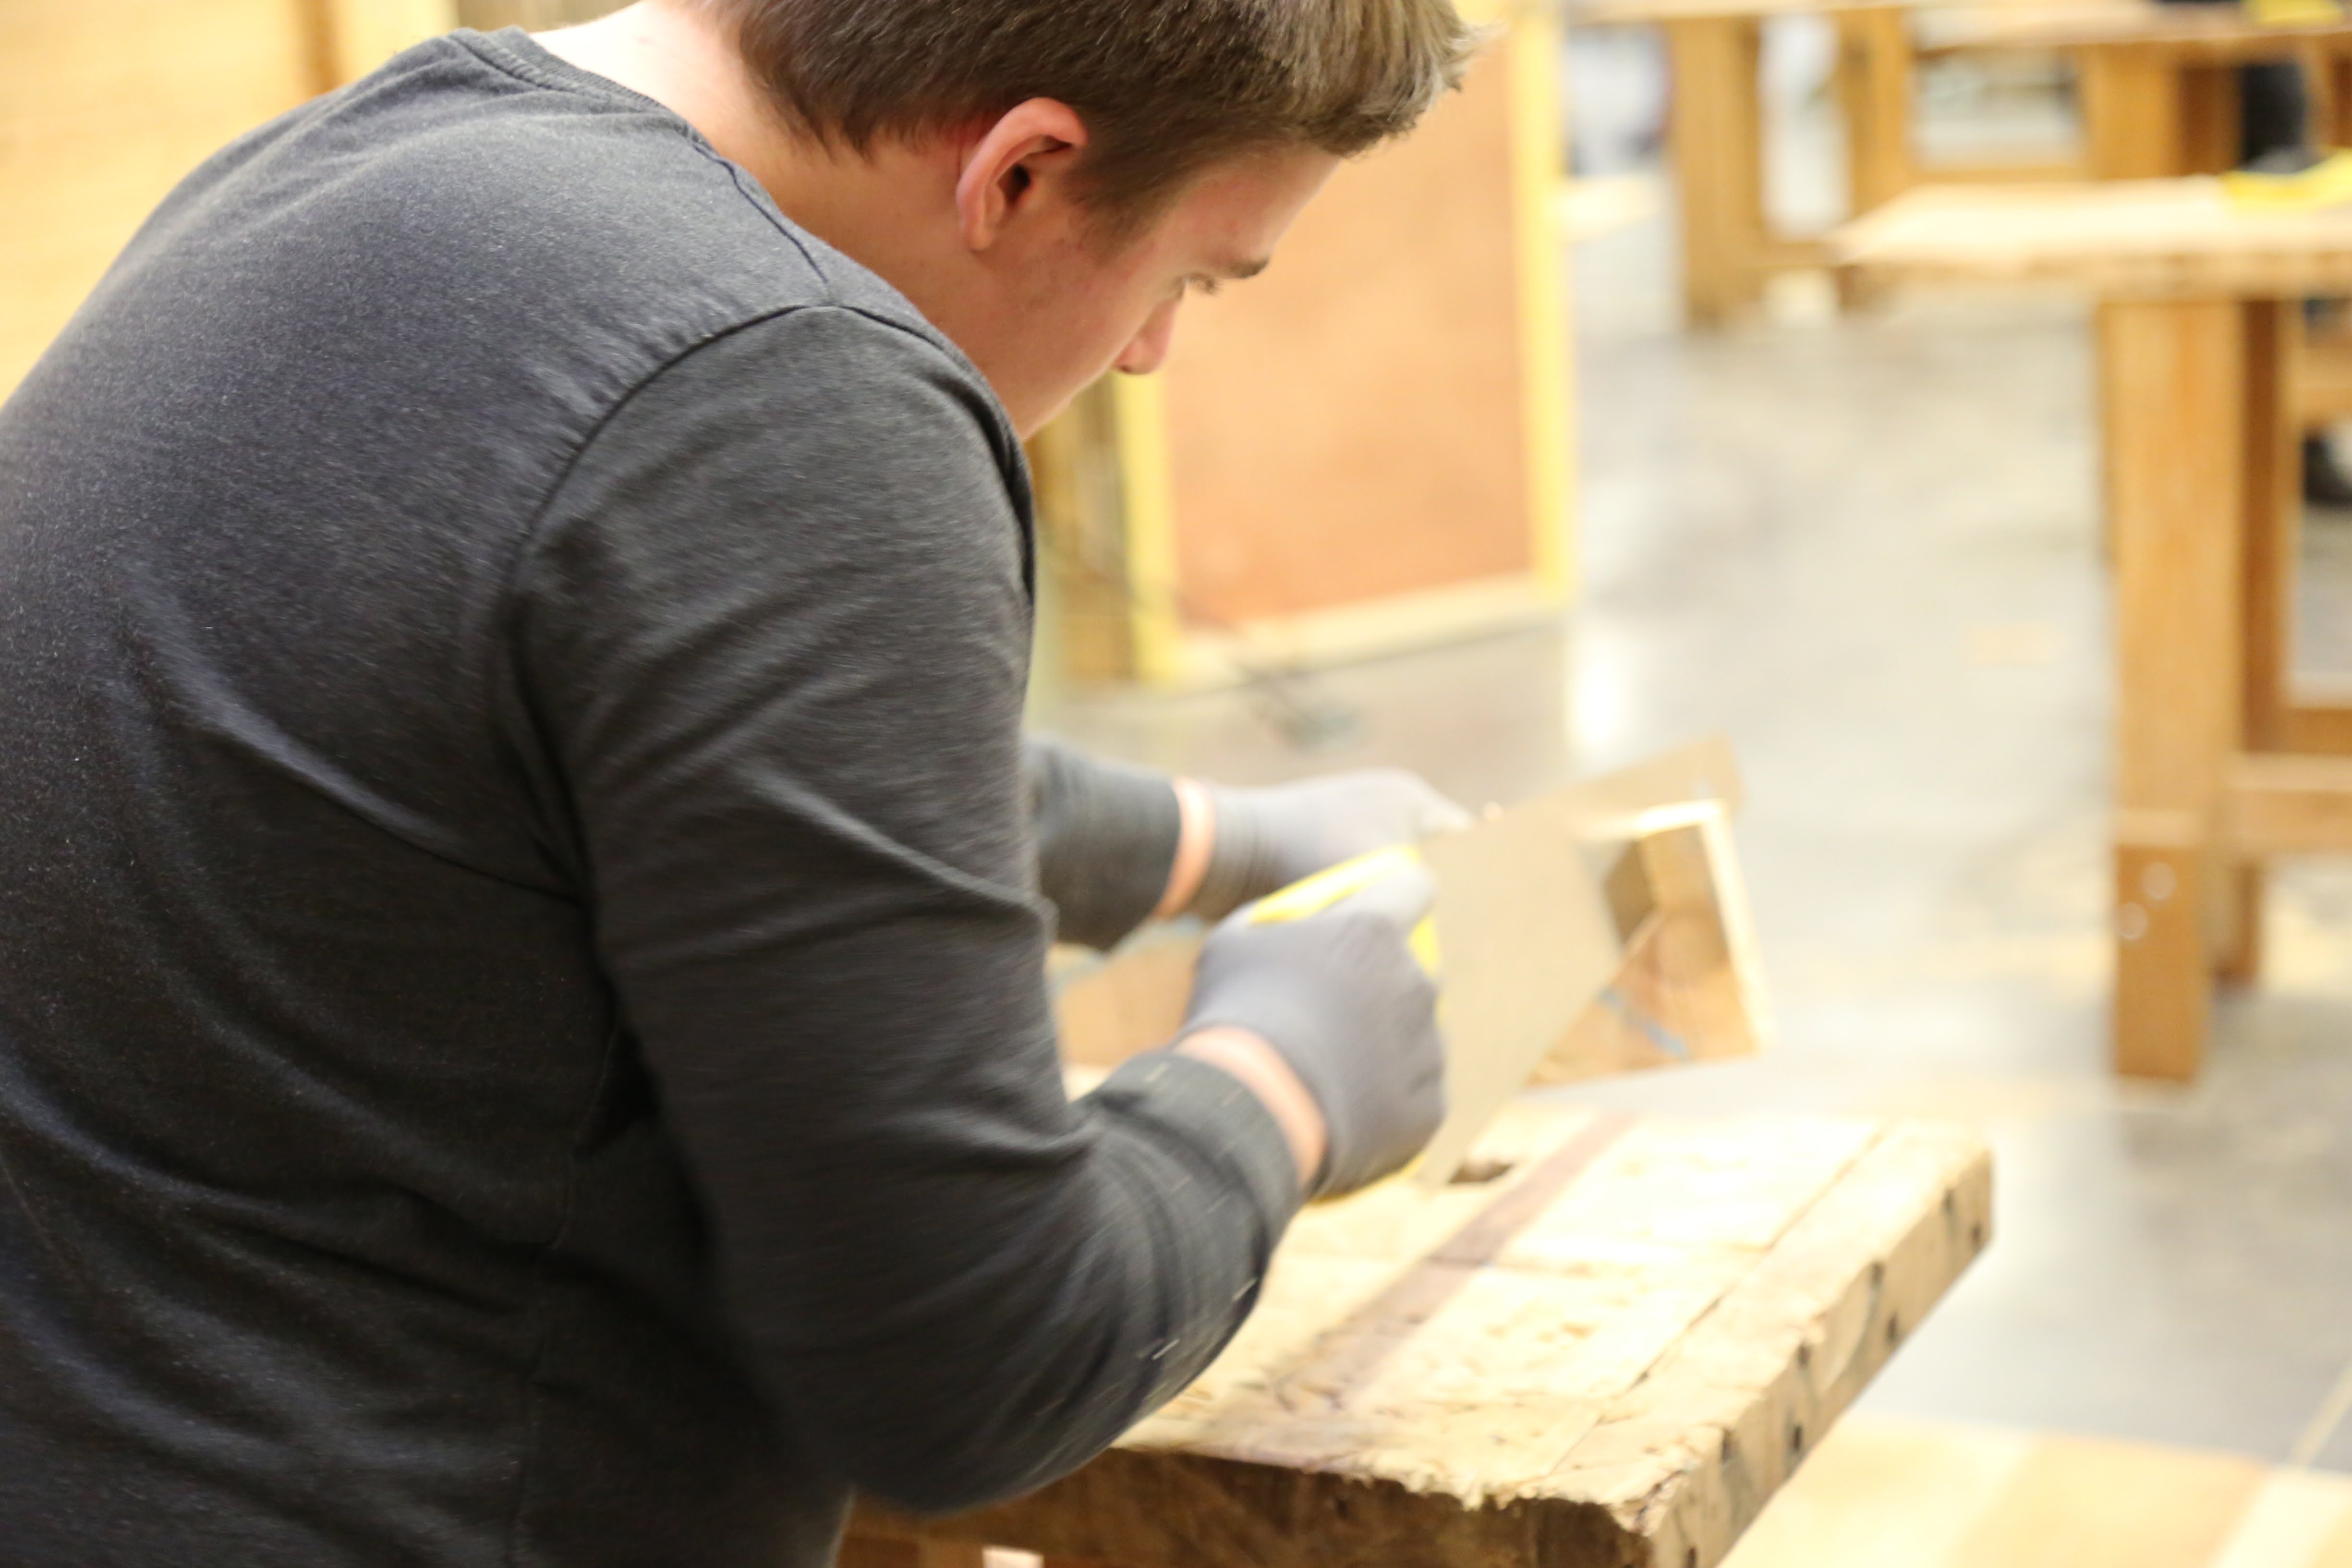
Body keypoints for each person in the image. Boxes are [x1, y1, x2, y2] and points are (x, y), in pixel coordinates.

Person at [0, 1, 1477, 1563]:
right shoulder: (789, 384)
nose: (1147, 350)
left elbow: (659, 766)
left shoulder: (336, 176)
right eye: (1188, 275)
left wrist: (1204, 841)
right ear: (1023, 173)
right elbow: (971, 1357)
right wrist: (1285, 1076)